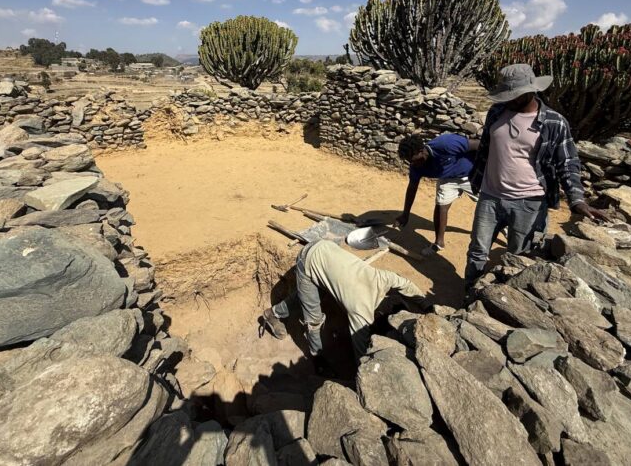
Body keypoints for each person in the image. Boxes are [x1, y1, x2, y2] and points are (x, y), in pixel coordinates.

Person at [465, 64, 608, 283]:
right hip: (490, 196)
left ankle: (503, 300)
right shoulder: (496, 112)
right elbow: (486, 148)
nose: (509, 99)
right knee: (477, 250)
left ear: (532, 91)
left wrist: (577, 199)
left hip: (529, 202)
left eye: (514, 94)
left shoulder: (554, 122)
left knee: (518, 257)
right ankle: (469, 294)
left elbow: (568, 163)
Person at [261, 239, 426, 363]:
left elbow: (407, 285)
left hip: (326, 247)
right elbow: (360, 349)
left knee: (307, 296)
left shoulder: (384, 279)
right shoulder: (360, 309)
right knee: (314, 319)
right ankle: (317, 357)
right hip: (307, 260)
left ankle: (272, 313)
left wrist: (426, 305)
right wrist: (364, 373)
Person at [395, 133, 479, 256]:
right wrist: (405, 214)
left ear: (422, 151)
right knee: (441, 205)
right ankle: (439, 243)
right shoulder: (416, 167)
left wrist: (488, 167)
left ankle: (507, 231)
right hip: (447, 179)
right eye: (409, 162)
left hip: (472, 175)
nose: (413, 164)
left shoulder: (446, 143)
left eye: (414, 160)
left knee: (492, 205)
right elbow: (412, 188)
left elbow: (479, 145)